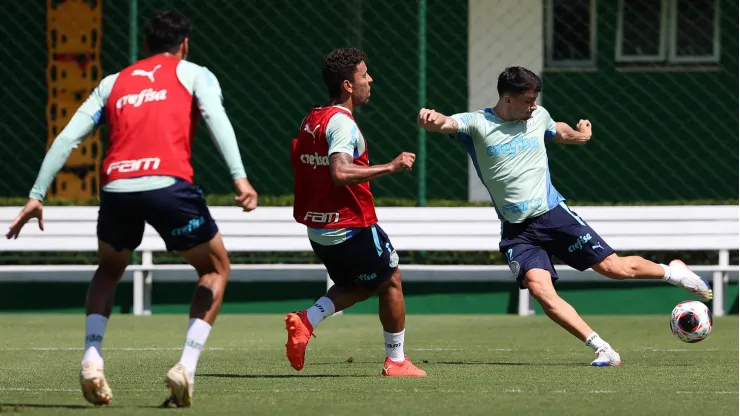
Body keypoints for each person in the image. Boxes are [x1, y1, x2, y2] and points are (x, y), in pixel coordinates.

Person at [5, 10, 258, 407]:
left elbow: (68, 136)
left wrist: (37, 194)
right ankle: (186, 368)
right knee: (215, 268)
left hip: (117, 187)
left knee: (109, 268)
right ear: (185, 45)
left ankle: (91, 358)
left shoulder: (113, 83)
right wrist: (239, 177)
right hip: (169, 185)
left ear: (144, 47)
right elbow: (216, 117)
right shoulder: (195, 73)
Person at [417, 66, 712, 367]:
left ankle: (674, 272)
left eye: (535, 99)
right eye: (528, 100)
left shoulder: (538, 116)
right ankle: (603, 349)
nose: (533, 105)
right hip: (518, 231)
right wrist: (431, 118)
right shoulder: (478, 123)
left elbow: (558, 130)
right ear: (507, 99)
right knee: (540, 290)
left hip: (553, 215)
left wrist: (579, 135)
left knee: (614, 268)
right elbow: (447, 123)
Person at [285, 48, 426, 377]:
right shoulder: (342, 125)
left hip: (320, 232)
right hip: (351, 226)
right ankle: (396, 361)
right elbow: (340, 172)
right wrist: (391, 166)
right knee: (391, 280)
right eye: (364, 75)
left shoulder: (313, 118)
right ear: (348, 85)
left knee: (363, 285)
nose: (370, 79)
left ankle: (307, 320)